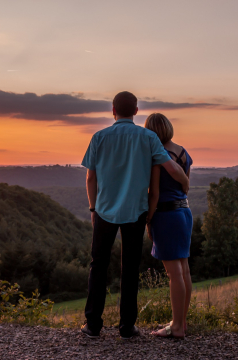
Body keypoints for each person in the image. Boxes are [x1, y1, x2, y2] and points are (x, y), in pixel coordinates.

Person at [80, 92, 190, 339]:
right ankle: (127, 327)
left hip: (105, 210)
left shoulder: (99, 137)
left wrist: (93, 209)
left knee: (98, 266)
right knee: (129, 268)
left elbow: (90, 176)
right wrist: (185, 182)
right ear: (137, 110)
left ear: (112, 110)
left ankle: (93, 325)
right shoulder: (148, 137)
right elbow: (171, 167)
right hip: (136, 211)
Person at [144, 113, 193, 339]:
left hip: (166, 215)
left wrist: (148, 220)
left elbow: (154, 193)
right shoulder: (183, 152)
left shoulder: (157, 154)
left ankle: (176, 328)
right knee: (183, 270)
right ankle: (181, 323)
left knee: (174, 274)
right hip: (184, 211)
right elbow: (185, 186)